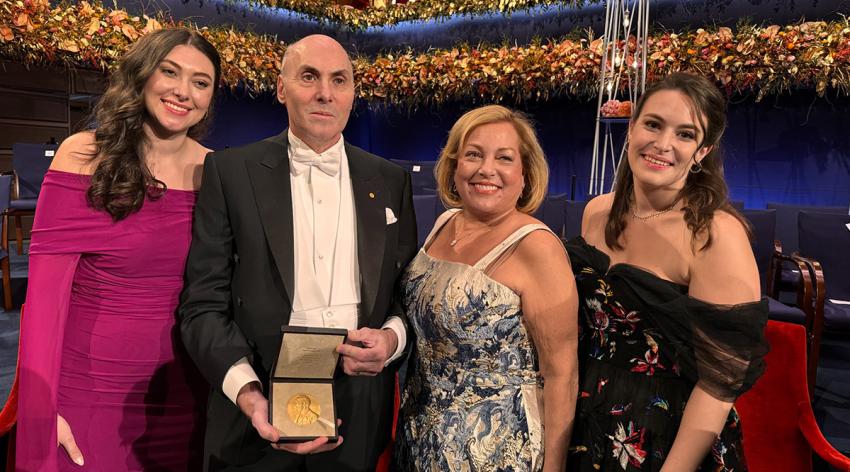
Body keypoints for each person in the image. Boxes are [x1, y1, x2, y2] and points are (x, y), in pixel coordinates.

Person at [177, 34, 417, 471]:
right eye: (309, 76)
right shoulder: (230, 172)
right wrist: (249, 394)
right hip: (256, 399)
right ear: (282, 87)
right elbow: (202, 306)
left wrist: (392, 338)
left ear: (352, 93)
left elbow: (405, 296)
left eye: (339, 80)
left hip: (359, 408)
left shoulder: (389, 180)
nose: (325, 92)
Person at [16, 27, 220, 471]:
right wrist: (40, 411)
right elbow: (45, 302)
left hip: (185, 394)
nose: (183, 92)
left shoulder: (216, 171)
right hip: (87, 395)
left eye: (200, 82)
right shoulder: (83, 156)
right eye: (170, 72)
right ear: (143, 75)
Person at [565, 72, 769, 471]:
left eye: (685, 134)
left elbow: (718, 383)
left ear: (703, 151)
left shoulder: (715, 235)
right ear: (631, 128)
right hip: (587, 415)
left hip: (667, 434)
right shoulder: (596, 212)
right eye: (653, 124)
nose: (663, 145)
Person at [393, 104, 579, 471]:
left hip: (493, 452)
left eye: (504, 158)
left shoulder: (536, 247)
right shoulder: (445, 223)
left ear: (524, 173)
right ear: (454, 165)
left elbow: (562, 374)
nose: (486, 169)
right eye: (473, 154)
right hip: (419, 440)